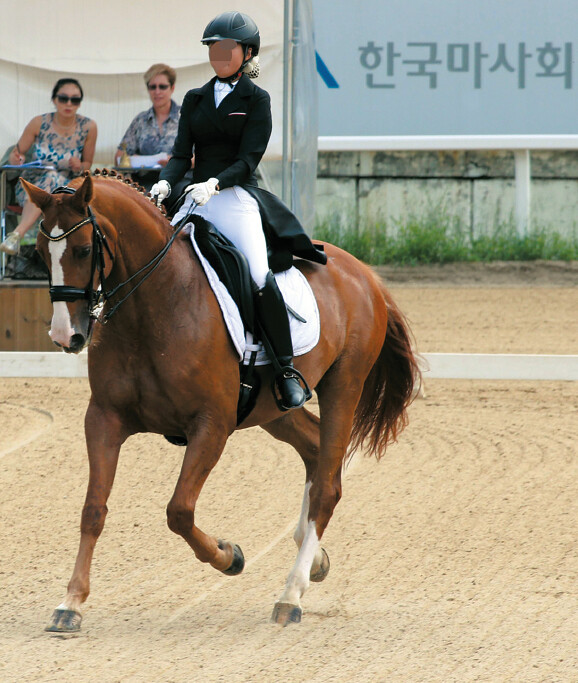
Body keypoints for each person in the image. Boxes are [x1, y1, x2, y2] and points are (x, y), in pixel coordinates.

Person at [150, 10, 326, 411]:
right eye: (214, 47)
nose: (219, 54)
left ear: (247, 53)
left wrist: (216, 183)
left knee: (260, 275)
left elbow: (249, 159)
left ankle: (284, 370)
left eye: (227, 48)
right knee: (159, 262)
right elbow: (181, 155)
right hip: (194, 196)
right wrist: (165, 181)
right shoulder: (194, 99)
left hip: (234, 197)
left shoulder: (256, 100)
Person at [0, 78, 97, 256]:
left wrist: (80, 165)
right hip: (33, 185)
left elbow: (87, 166)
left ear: (80, 103)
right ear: (54, 100)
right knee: (47, 179)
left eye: (74, 100)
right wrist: (15, 159)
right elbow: (18, 155)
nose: (69, 103)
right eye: (63, 98)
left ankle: (17, 234)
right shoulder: (38, 122)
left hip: (68, 188)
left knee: (53, 180)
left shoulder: (89, 127)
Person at [114, 63, 189, 193]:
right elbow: (119, 157)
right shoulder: (140, 120)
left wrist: (174, 162)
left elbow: (200, 156)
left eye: (163, 87)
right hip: (144, 184)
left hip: (178, 181)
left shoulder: (186, 117)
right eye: (152, 87)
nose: (157, 92)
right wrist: (135, 160)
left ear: (172, 88)